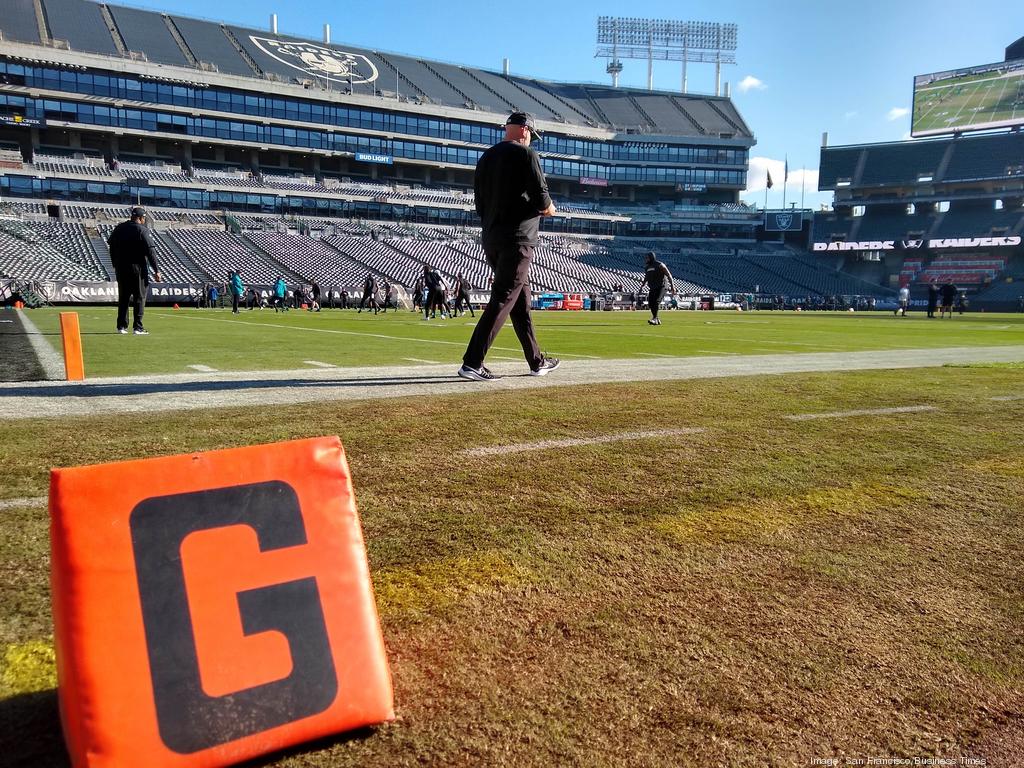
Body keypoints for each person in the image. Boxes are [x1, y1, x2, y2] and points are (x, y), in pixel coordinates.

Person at [458, 111, 559, 380]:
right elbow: (541, 198)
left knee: (520, 303)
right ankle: (472, 362)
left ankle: (536, 361)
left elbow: (480, 205)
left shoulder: (486, 158)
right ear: (525, 130)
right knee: (503, 299)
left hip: (492, 237)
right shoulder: (527, 155)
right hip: (518, 240)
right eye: (531, 135)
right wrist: (549, 209)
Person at [108, 206, 161, 335]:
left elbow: (111, 246)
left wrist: (115, 263)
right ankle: (138, 327)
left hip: (121, 268)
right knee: (139, 297)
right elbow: (150, 251)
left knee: (124, 298)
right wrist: (157, 270)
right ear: (141, 218)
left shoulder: (119, 228)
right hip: (137, 267)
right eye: (144, 218)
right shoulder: (142, 230)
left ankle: (121, 326)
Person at [638, 251, 676, 326]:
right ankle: (656, 319)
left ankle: (654, 318)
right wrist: (642, 286)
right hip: (653, 287)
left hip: (662, 286)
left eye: (647, 258)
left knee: (656, 301)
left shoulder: (660, 265)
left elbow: (669, 275)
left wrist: (672, 286)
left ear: (651, 257)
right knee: (651, 303)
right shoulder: (647, 267)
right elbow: (646, 277)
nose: (646, 259)